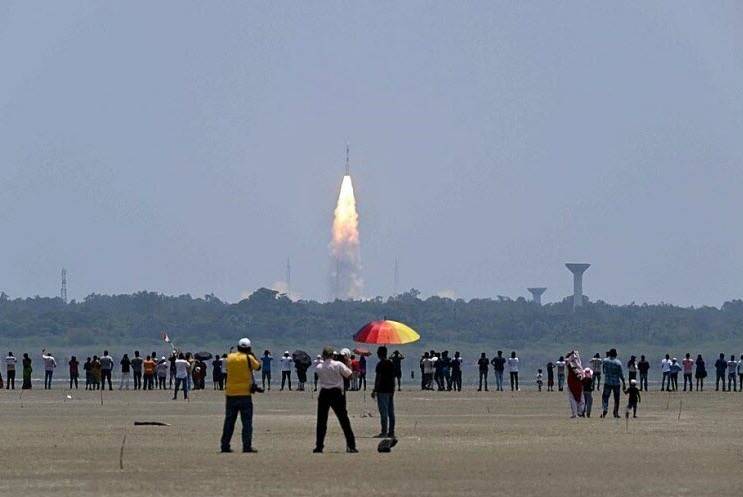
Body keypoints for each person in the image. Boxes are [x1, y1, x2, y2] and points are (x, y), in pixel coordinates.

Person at [220, 337, 261, 453]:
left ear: (238, 347)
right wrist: (252, 355)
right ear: (249, 348)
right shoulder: (248, 358)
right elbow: (258, 367)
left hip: (230, 393)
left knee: (229, 421)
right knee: (247, 422)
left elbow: (225, 368)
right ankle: (246, 446)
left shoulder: (230, 357)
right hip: (244, 394)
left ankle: (225, 445)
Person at [313, 346, 357, 453]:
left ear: (323, 356)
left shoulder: (319, 367)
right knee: (344, 419)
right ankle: (351, 445)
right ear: (332, 355)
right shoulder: (338, 365)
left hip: (324, 393)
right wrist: (349, 364)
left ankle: (319, 445)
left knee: (321, 421)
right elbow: (350, 376)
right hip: (336, 393)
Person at [372, 346, 396, 439]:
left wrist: (375, 390)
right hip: (390, 390)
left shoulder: (380, 364)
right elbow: (393, 377)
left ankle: (384, 432)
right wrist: (393, 389)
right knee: (391, 412)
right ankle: (391, 432)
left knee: (384, 412)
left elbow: (378, 378)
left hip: (382, 390)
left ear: (379, 354)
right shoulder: (391, 363)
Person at [601, 348, 625, 419]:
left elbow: (604, 370)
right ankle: (615, 412)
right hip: (616, 383)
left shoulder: (605, 361)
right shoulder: (618, 363)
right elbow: (621, 374)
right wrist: (623, 382)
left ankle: (605, 409)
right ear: (615, 354)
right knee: (616, 398)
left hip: (607, 382)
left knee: (605, 397)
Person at [565, 350, 584, 418]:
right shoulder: (576, 364)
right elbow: (579, 374)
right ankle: (579, 412)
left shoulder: (569, 363)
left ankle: (575, 413)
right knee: (580, 397)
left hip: (571, 381)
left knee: (573, 398)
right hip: (577, 381)